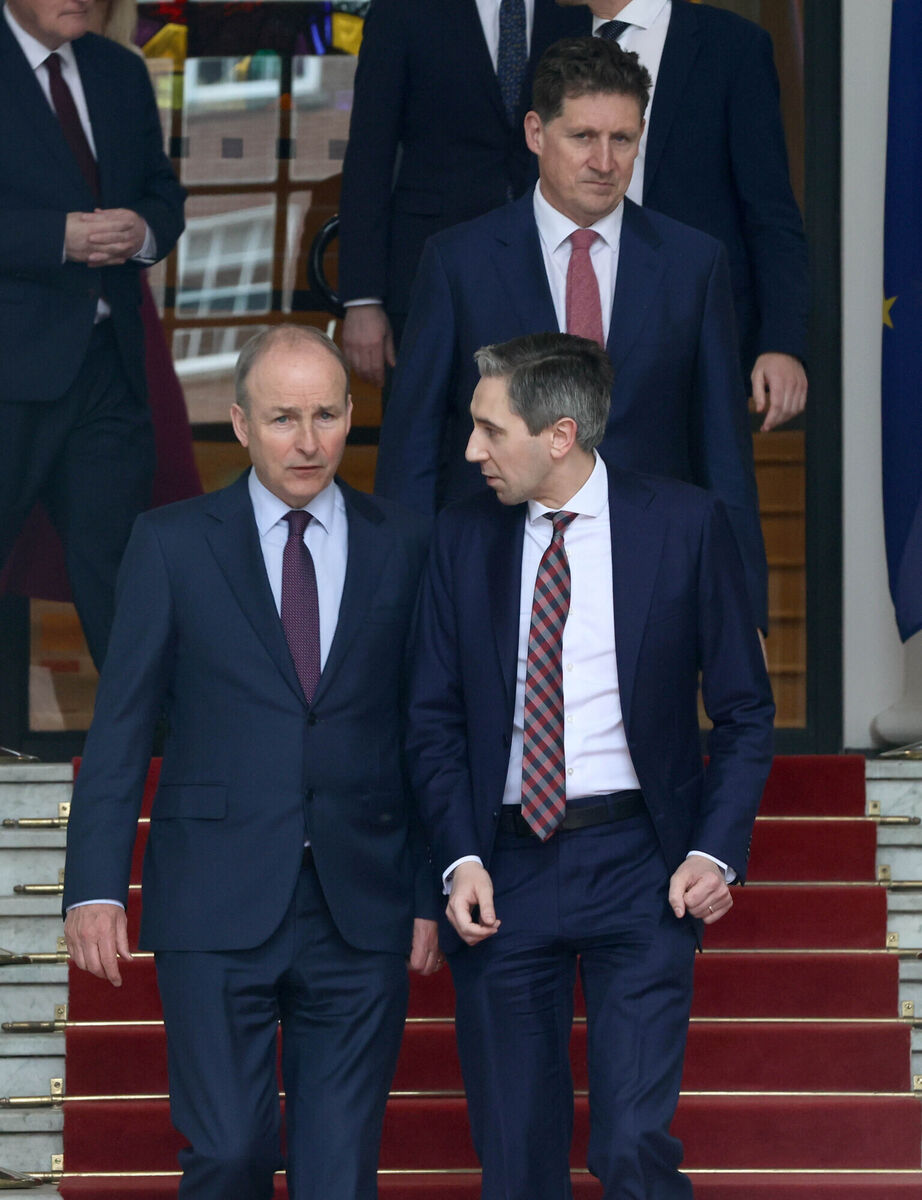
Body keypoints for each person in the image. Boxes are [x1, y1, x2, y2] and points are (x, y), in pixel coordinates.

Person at [62, 325, 440, 1200]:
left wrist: (427, 887)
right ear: (238, 423)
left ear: (352, 417)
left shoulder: (406, 543)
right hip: (214, 901)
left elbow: (429, 732)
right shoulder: (170, 543)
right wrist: (94, 886)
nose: (307, 442)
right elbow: (119, 728)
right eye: (281, 419)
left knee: (338, 1174)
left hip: (363, 901)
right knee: (228, 1152)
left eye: (325, 416)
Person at [407, 331, 774, 1200]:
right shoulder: (461, 541)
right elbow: (430, 720)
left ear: (560, 435)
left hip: (642, 867)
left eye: (492, 430)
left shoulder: (684, 525)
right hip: (504, 870)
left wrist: (711, 852)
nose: (472, 449)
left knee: (634, 1142)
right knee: (517, 1156)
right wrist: (457, 857)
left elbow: (747, 713)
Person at [374, 35, 768, 630]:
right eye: (582, 137)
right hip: (494, 576)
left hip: (652, 582)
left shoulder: (693, 265)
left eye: (623, 139)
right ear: (536, 134)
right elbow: (413, 451)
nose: (605, 162)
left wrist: (744, 615)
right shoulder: (459, 262)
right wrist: (406, 606)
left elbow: (724, 455)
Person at [0, 0, 186, 669]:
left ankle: (144, 761)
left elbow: (165, 193)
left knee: (122, 582)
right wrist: (58, 238)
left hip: (108, 367)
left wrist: (143, 230)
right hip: (10, 370)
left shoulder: (118, 71)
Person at [560, 0, 808, 431]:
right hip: (569, 320)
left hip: (691, 335)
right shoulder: (553, 37)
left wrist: (782, 344)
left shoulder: (733, 46)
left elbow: (769, 210)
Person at [337, 0, 586, 386]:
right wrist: (363, 299)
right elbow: (370, 154)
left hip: (552, 266)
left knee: (546, 424)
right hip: (428, 270)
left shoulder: (576, 9)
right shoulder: (402, 11)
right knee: (425, 432)